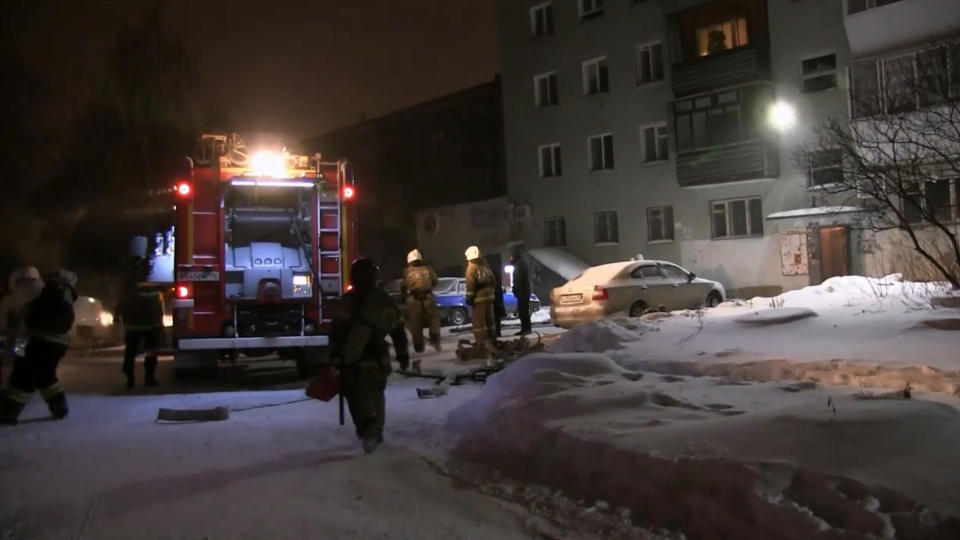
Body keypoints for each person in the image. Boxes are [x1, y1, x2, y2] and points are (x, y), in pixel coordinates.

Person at [330, 257, 409, 454]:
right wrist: (402, 354)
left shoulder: (346, 301)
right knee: (375, 395)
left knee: (355, 396)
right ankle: (375, 430)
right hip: (378, 359)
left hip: (353, 360)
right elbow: (397, 330)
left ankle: (367, 428)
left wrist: (335, 355)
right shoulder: (383, 300)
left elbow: (336, 331)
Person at [0, 269, 77, 425]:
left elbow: (26, 321)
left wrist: (19, 347)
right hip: (58, 343)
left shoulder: (45, 293)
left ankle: (8, 413)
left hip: (41, 340)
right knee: (45, 376)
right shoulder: (66, 294)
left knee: (23, 376)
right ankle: (59, 407)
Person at [115, 258, 165, 388]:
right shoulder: (155, 290)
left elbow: (120, 304)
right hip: (152, 326)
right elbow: (159, 308)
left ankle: (130, 379)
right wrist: (160, 325)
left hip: (133, 326)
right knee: (150, 353)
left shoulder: (129, 289)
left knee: (130, 353)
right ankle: (150, 378)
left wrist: (118, 317)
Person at [0, 267, 45, 382]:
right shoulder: (42, 295)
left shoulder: (11, 299)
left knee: (15, 358)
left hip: (20, 336)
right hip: (32, 336)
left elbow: (4, 319)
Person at [401, 249, 442, 353]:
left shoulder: (408, 271)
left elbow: (403, 286)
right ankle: (435, 339)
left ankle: (419, 346)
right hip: (429, 298)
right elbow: (435, 281)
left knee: (415, 324)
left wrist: (405, 294)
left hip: (414, 300)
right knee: (434, 320)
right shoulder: (428, 269)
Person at [464, 246, 496, 353]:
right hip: (489, 299)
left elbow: (470, 286)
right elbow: (494, 281)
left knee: (479, 324)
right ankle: (492, 341)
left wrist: (469, 298)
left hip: (478, 301)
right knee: (490, 322)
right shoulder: (485, 267)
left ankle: (482, 344)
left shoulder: (471, 269)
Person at [510, 247, 532, 336]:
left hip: (522, 292)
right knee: (524, 311)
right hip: (524, 291)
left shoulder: (520, 265)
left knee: (523, 312)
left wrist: (515, 288)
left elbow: (518, 279)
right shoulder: (522, 263)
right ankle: (526, 328)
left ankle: (526, 329)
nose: (511, 259)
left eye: (512, 257)